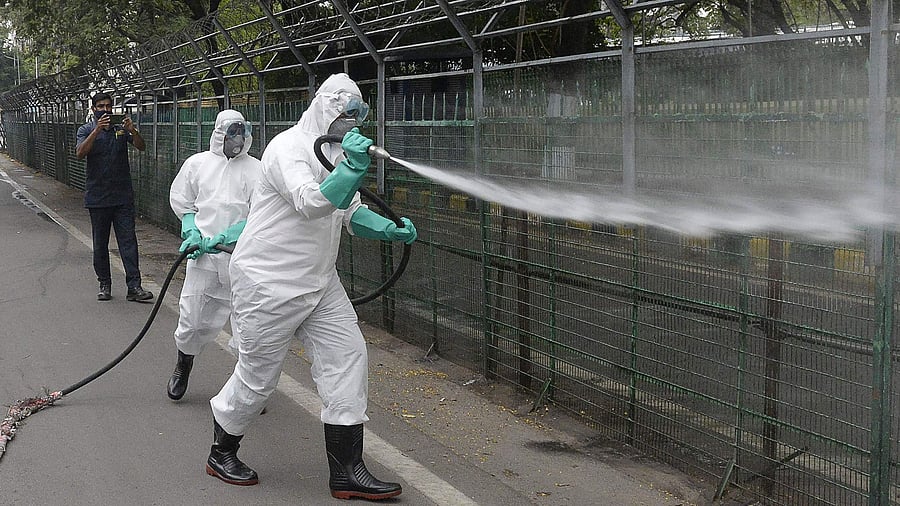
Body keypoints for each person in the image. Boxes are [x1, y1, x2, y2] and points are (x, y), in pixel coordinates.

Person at [205, 73, 417, 501]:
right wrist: (354, 167)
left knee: (348, 357)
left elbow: (350, 212)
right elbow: (312, 203)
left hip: (320, 283)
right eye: (346, 113)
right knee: (259, 379)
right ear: (324, 106)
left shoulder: (338, 153)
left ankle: (347, 471)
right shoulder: (287, 149)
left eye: (359, 115)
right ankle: (221, 451)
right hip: (269, 283)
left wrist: (390, 231)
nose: (351, 122)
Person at [167, 110, 262, 401]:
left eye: (241, 133)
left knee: (250, 328)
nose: (237, 139)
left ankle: (247, 390)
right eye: (231, 133)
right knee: (192, 319)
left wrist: (229, 236)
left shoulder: (258, 169)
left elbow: (262, 212)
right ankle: (184, 364)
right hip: (204, 258)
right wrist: (191, 230)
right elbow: (183, 201)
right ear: (219, 134)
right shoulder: (197, 165)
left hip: (243, 259)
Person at [75, 92, 153, 302]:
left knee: (128, 242)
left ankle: (134, 287)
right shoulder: (86, 130)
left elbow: (141, 146)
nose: (106, 110)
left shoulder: (120, 130)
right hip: (98, 198)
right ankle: (105, 283)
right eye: (101, 106)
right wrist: (98, 130)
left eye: (109, 106)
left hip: (122, 197)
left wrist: (132, 130)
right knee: (100, 244)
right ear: (93, 110)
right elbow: (80, 153)